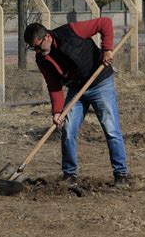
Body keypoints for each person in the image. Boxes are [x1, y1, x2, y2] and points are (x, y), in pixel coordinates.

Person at [24, 18, 129, 187]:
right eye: (32, 47)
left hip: (100, 82)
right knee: (68, 128)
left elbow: (105, 23)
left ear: (47, 37)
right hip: (76, 89)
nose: (36, 50)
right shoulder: (42, 58)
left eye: (37, 46)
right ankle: (69, 175)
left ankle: (121, 174)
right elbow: (53, 84)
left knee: (111, 128)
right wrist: (57, 111)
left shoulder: (71, 32)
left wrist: (107, 49)